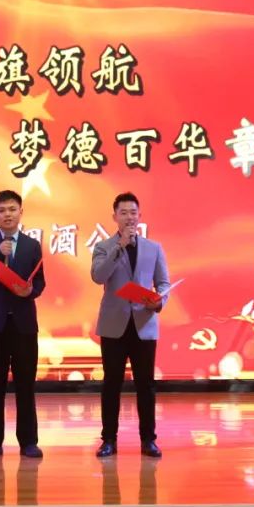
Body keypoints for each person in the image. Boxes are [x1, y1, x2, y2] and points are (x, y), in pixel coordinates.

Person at [90, 192, 170, 459]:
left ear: (140, 215)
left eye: (133, 212)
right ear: (114, 217)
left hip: (144, 324)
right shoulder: (104, 247)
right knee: (111, 384)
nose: (129, 217)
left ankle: (148, 440)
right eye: (123, 213)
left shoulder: (153, 248)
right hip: (114, 325)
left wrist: (159, 301)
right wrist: (119, 246)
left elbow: (163, 283)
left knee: (145, 385)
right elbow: (98, 276)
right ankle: (108, 440)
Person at [0, 190, 47, 459]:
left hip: (24, 325)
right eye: (2, 210)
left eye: (12, 209)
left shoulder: (31, 245)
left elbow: (40, 281)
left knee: (26, 385)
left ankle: (28, 442)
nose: (7, 215)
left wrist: (31, 291)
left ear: (21, 212)